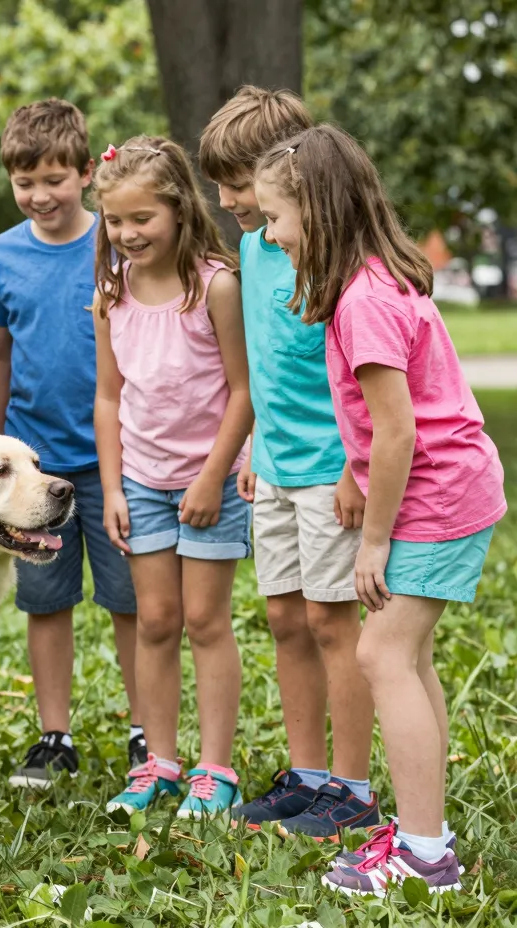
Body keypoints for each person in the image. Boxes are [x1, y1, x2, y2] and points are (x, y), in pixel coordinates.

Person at [255, 124, 506, 895]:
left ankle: (426, 857)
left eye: (276, 218)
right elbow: (384, 425)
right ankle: (423, 825)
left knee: (379, 655)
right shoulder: (369, 282)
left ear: (318, 213)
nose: (270, 235)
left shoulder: (362, 301)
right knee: (407, 655)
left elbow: (398, 430)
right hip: (445, 486)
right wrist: (357, 476)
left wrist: (371, 540)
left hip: (436, 494)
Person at [199, 88, 378, 838]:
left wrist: (353, 473)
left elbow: (363, 381)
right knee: (283, 617)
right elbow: (264, 368)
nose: (227, 197)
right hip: (271, 468)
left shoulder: (335, 259)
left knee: (333, 625)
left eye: (239, 181)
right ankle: (307, 777)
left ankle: (354, 787)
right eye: (222, 181)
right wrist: (250, 449)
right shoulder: (251, 247)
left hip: (332, 473)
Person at [0, 98, 141, 789]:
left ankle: (146, 732)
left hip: (118, 460)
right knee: (46, 603)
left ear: (83, 171)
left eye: (54, 179)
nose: (39, 195)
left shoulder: (117, 243)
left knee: (131, 600)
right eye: (24, 181)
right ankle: (54, 735)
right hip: (35, 467)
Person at [92, 137, 253, 820]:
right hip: (144, 481)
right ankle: (159, 760)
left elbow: (245, 393)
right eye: (115, 221)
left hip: (209, 481)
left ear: (180, 210)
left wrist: (215, 477)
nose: (127, 234)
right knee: (155, 621)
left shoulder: (215, 285)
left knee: (205, 620)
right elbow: (108, 396)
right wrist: (114, 487)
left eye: (142, 220)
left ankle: (215, 770)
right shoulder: (109, 294)